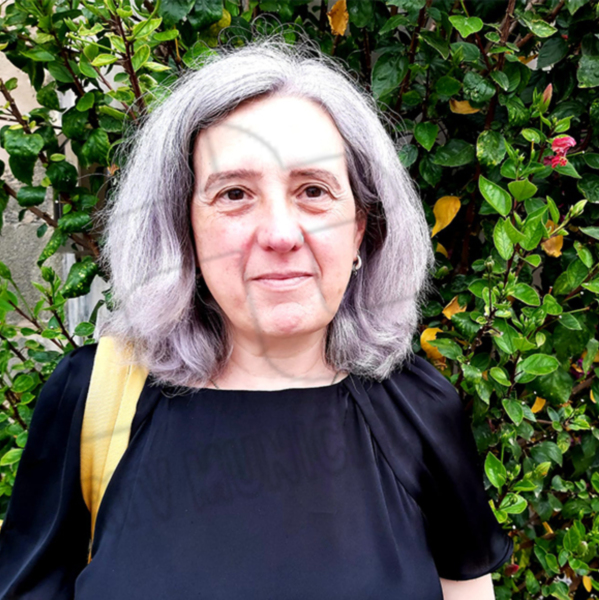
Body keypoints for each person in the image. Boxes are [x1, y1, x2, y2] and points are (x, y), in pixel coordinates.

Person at [0, 33, 513, 599]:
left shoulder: (419, 411)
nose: (279, 234)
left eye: (314, 190)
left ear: (361, 227)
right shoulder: (93, 397)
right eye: (235, 194)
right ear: (184, 228)